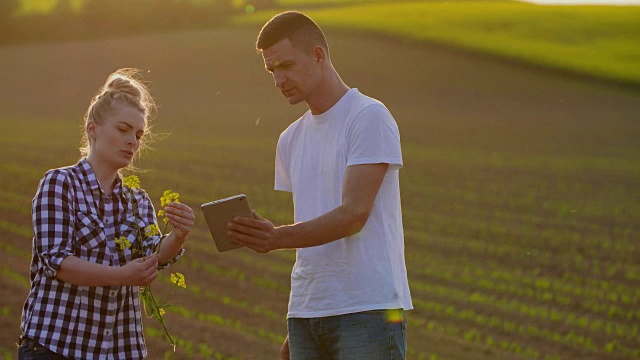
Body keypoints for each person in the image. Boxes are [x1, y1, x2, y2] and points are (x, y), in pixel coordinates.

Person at [227, 11, 412, 360]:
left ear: (318, 55)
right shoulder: (290, 139)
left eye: (286, 65)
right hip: (307, 316)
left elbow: (353, 215)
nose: (279, 79)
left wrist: (276, 237)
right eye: (272, 70)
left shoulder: (368, 116)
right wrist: (302, 316)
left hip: (369, 312)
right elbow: (314, 229)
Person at [18, 68, 195, 359]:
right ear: (92, 129)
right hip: (56, 346)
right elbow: (58, 262)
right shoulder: (60, 184)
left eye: (138, 135)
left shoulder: (137, 200)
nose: (133, 142)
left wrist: (178, 235)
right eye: (123, 130)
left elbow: (155, 256)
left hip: (119, 349)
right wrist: (121, 275)